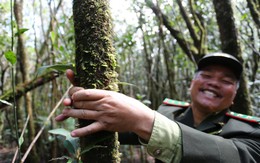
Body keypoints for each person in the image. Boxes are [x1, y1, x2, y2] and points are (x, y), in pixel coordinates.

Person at [55, 52, 260, 163]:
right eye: (206, 76)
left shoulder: (249, 130)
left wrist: (146, 121)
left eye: (226, 80)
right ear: (192, 84)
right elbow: (119, 126)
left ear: (235, 95)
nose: (214, 83)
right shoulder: (169, 112)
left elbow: (239, 156)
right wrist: (91, 102)